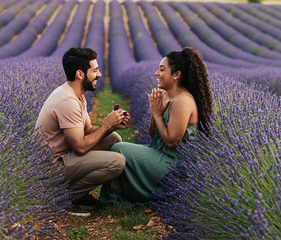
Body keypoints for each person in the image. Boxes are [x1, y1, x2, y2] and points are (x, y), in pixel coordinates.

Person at [99, 47, 214, 206]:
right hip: (161, 154)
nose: (156, 73)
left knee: (119, 149)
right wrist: (156, 113)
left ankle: (114, 200)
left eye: (161, 70)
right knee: (118, 147)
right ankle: (116, 198)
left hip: (173, 164)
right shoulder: (169, 97)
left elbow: (172, 142)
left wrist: (157, 114)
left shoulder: (183, 101)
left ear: (176, 75)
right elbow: (155, 136)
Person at [35, 48, 131, 214]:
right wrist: (107, 124)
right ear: (80, 74)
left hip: (65, 156)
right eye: (94, 70)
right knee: (117, 162)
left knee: (113, 138)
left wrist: (113, 125)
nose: (99, 74)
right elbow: (80, 147)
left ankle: (79, 193)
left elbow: (87, 130)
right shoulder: (68, 101)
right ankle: (63, 197)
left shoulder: (77, 94)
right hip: (52, 167)